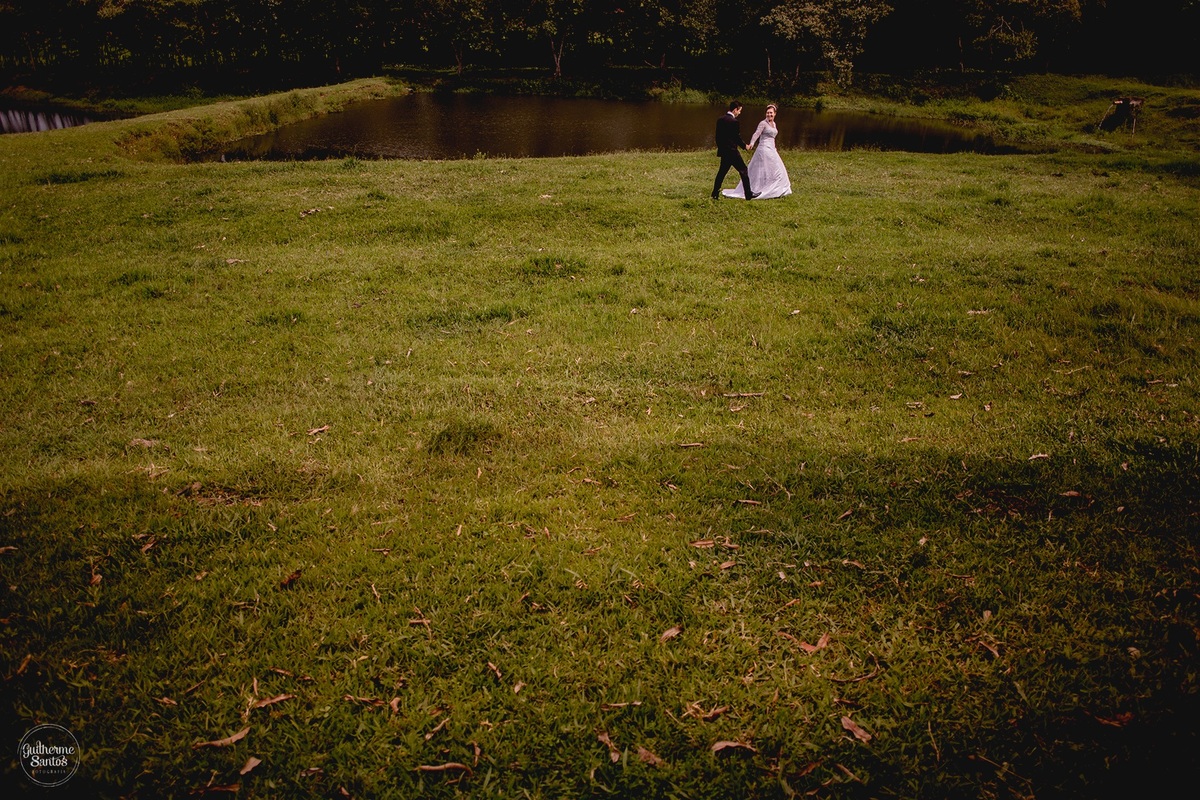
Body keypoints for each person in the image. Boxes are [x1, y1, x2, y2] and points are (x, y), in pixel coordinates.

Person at [722, 103, 792, 200]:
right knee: (765, 168)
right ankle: (759, 188)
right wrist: (751, 144)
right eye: (767, 113)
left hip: (772, 149)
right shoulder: (763, 123)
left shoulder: (774, 124)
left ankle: (776, 187)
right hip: (764, 149)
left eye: (771, 113)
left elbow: (772, 137)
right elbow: (756, 134)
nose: (769, 115)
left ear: (775, 114)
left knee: (777, 169)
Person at [711, 101, 759, 200]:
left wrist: (721, 148)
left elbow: (717, 137)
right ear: (735, 109)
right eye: (739, 111)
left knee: (722, 172)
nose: (739, 113)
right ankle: (748, 194)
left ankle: (714, 193)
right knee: (744, 170)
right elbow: (736, 138)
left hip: (724, 151)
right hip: (732, 152)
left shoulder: (720, 119)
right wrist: (745, 146)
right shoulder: (734, 122)